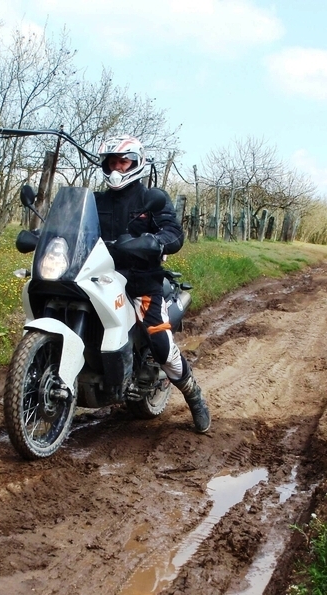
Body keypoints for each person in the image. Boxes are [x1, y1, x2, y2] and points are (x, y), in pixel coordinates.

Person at [94, 134, 211, 433]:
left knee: (160, 343)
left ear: (136, 163)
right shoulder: (97, 200)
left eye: (123, 161)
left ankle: (193, 394)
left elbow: (173, 232)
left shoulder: (151, 199)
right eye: (112, 162)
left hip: (141, 281)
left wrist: (155, 241)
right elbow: (75, 226)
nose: (117, 168)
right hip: (102, 275)